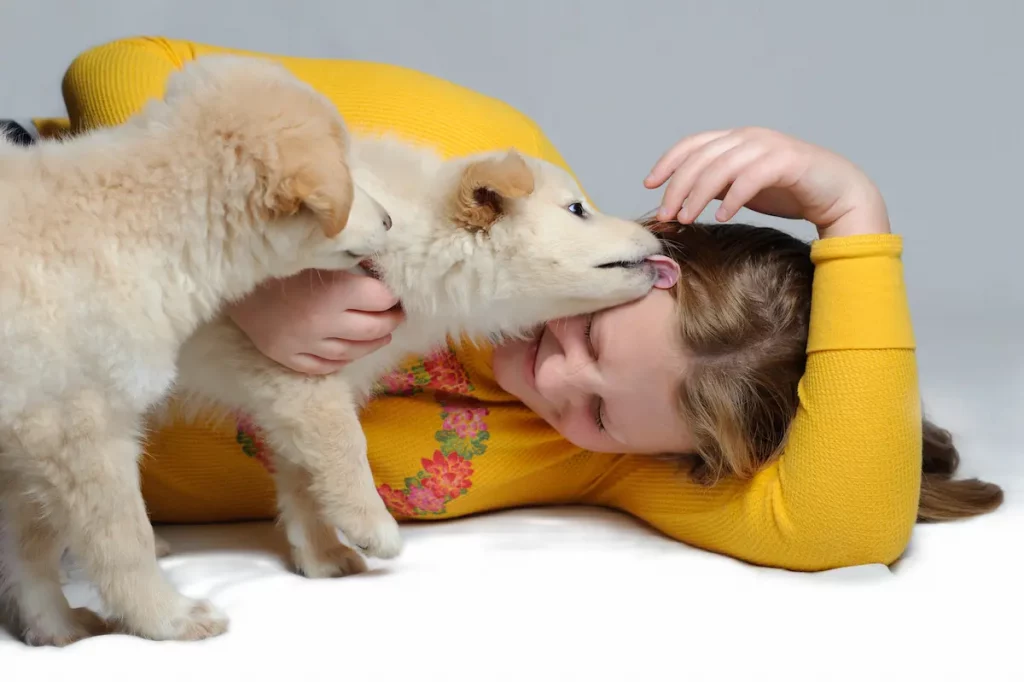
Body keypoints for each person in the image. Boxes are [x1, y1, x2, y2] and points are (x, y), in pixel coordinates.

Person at [59, 37, 1001, 572]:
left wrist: (854, 214)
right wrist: (251, 272)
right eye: (588, 329)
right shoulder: (480, 164)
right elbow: (121, 68)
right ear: (643, 249)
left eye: (597, 410)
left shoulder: (598, 468)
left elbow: (849, 527)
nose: (555, 379)